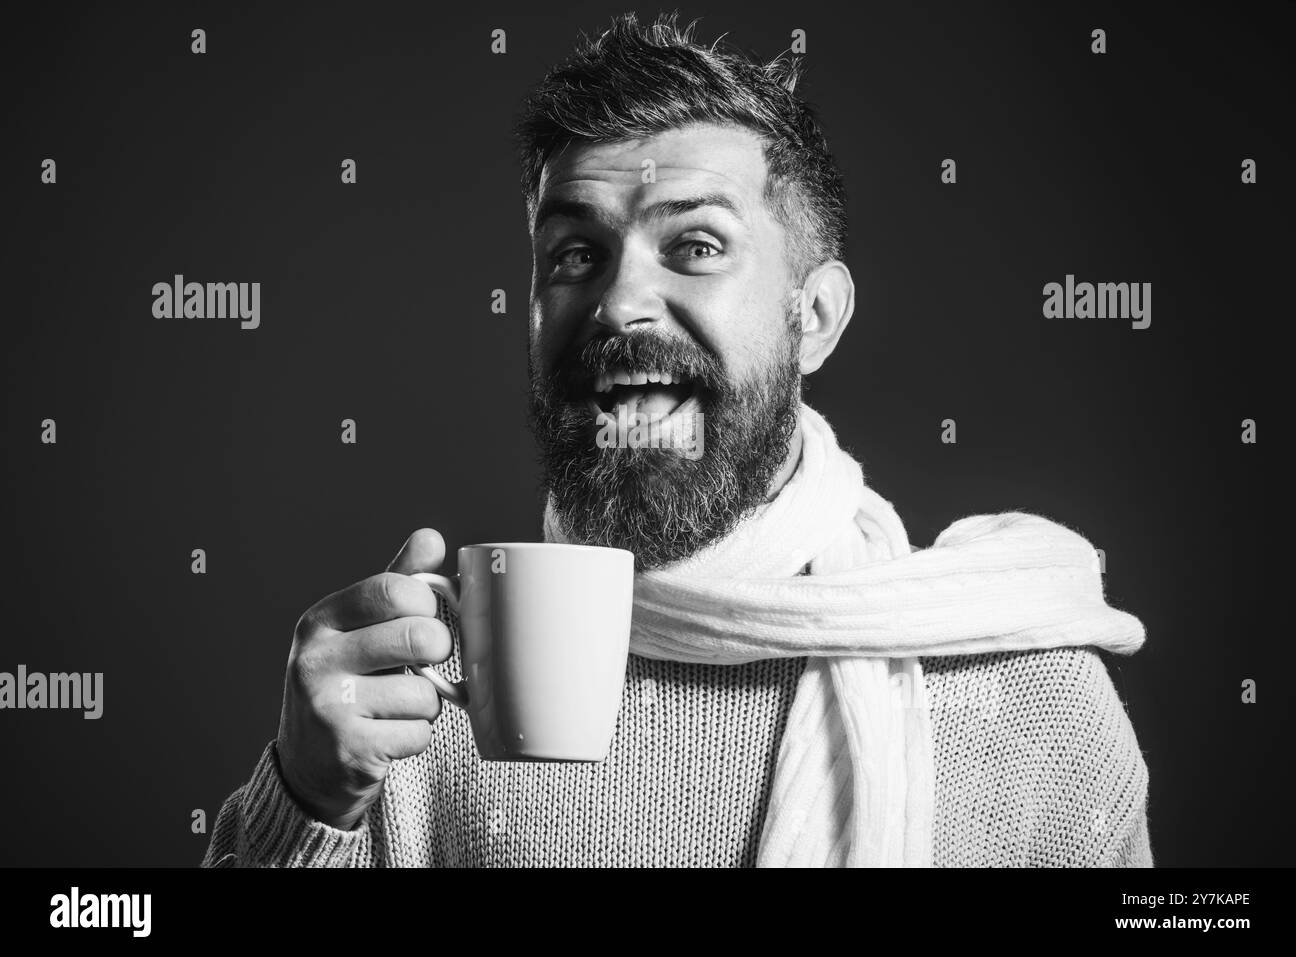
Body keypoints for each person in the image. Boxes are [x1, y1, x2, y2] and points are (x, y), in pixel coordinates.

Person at [203, 11, 1152, 868]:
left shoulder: (1035, 708)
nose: (618, 303)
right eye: (575, 254)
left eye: (696, 245)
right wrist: (304, 802)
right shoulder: (412, 710)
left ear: (814, 316)